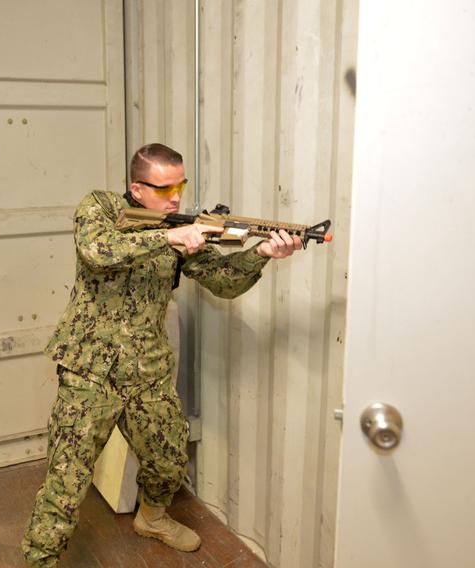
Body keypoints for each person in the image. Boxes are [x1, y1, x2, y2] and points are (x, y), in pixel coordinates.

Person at [21, 143, 301, 565]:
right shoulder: (100, 207)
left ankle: (151, 518)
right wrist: (169, 236)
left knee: (169, 460)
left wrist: (260, 254)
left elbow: (223, 281)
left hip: (148, 368)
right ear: (137, 188)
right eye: (165, 188)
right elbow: (96, 253)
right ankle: (38, 558)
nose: (175, 197)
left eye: (181, 185)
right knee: (66, 480)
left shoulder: (182, 227)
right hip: (89, 369)